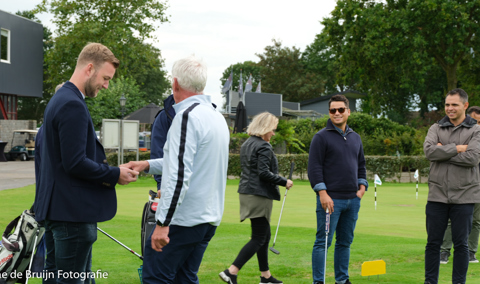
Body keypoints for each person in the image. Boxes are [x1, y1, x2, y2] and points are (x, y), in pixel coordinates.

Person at [34, 43, 138, 283]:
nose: (106, 85)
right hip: (72, 215)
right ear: (89, 68)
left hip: (55, 212)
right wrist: (115, 174)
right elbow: (75, 163)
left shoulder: (58, 99)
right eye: (105, 78)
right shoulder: (73, 104)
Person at [121, 55, 230, 284]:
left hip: (184, 220)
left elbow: (179, 176)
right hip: (208, 219)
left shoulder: (187, 117)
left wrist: (162, 224)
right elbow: (188, 162)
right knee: (185, 279)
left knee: (156, 278)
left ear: (175, 83)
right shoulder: (216, 116)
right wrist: (147, 165)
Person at [219, 112, 293, 284]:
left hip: (247, 192)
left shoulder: (247, 143)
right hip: (258, 194)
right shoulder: (264, 146)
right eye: (272, 130)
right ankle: (231, 271)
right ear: (265, 128)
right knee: (259, 237)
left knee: (264, 236)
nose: (273, 134)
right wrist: (284, 181)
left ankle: (265, 276)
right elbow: (264, 173)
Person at [307, 94, 368, 284]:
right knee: (323, 242)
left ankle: (342, 280)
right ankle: (319, 281)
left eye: (341, 109)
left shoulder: (355, 137)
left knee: (345, 243)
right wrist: (322, 193)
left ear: (348, 112)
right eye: (333, 110)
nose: (337, 113)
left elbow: (361, 165)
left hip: (352, 200)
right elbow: (314, 168)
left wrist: (362, 187)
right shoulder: (321, 137)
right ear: (329, 113)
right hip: (330, 200)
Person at [423, 88, 480, 284]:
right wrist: (457, 148)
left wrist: (443, 152)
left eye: (454, 104)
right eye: (447, 104)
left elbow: (473, 157)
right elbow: (430, 153)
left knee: (461, 245)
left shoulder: (476, 130)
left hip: (464, 197)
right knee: (432, 244)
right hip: (436, 196)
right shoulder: (435, 128)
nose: (449, 108)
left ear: (465, 105)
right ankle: (430, 282)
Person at [440, 106, 480, 265]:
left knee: (476, 220)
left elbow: (471, 158)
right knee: (452, 220)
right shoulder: (458, 136)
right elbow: (445, 153)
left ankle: (471, 252)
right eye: (475, 121)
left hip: (477, 186)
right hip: (459, 184)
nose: (477, 124)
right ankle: (445, 251)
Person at [150, 93, 176, 197]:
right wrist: (161, 185)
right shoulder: (164, 116)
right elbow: (158, 151)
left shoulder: (209, 113)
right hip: (172, 185)